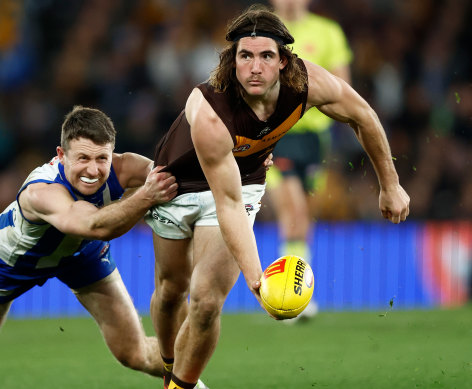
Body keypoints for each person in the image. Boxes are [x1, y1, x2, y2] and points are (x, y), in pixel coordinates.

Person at [144, 5, 409, 389]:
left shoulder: (308, 84)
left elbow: (363, 116)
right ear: (231, 61)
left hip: (242, 182)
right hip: (177, 184)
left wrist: (390, 184)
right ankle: (169, 366)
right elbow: (226, 203)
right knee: (171, 291)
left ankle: (179, 385)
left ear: (283, 60)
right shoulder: (210, 111)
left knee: (204, 300)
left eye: (266, 56)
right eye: (245, 56)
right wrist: (259, 282)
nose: (255, 67)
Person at [0, 106, 178, 379]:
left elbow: (173, 176)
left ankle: (192, 383)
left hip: (81, 253)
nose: (93, 169)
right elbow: (94, 225)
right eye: (83, 158)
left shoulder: (125, 167)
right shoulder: (41, 192)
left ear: (113, 154)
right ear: (61, 155)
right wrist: (147, 197)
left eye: (102, 158)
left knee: (135, 353)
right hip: (17, 260)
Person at [266, 0, 354, 319]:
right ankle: (289, 297)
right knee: (293, 210)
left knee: (302, 217)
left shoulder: (327, 32)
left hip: (315, 138)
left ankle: (292, 292)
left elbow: (342, 87)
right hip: (276, 133)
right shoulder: (262, 30)